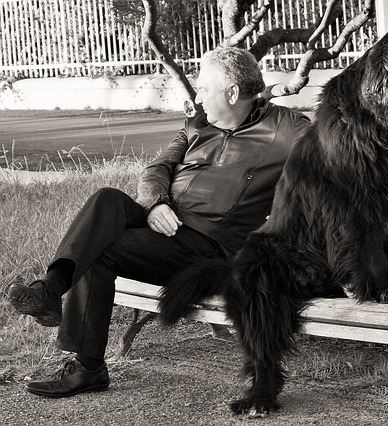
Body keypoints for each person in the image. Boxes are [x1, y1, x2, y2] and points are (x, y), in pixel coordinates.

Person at [8, 47, 311, 398]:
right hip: (163, 220)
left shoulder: (288, 131)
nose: (198, 97)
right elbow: (157, 168)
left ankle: (87, 367)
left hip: (206, 243)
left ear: (231, 92)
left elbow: (334, 159)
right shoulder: (197, 124)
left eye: (204, 89)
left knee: (100, 251)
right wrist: (154, 203)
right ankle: (49, 289)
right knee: (107, 197)